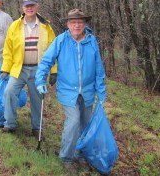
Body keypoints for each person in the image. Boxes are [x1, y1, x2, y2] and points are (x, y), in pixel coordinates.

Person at [35, 9, 107, 170]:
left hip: (88, 91)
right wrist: (40, 80)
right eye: (73, 22)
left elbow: (98, 68)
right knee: (73, 121)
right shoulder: (61, 40)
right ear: (68, 24)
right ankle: (66, 157)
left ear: (85, 24)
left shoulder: (91, 41)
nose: (77, 25)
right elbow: (46, 61)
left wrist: (101, 91)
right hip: (68, 90)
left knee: (85, 123)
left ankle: (79, 154)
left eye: (80, 22)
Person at [0, 0, 57, 138]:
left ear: (37, 7)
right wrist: (5, 69)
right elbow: (8, 49)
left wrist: (54, 71)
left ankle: (37, 128)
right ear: (23, 8)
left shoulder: (46, 26)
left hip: (38, 70)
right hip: (19, 69)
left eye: (32, 5)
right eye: (27, 6)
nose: (29, 8)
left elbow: (53, 50)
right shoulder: (15, 26)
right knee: (9, 92)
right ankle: (10, 123)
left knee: (38, 99)